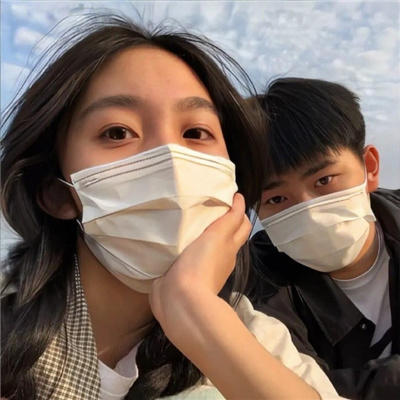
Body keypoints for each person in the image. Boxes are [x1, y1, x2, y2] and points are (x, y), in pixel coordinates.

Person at [0, 15, 346, 400]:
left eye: (196, 132)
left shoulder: (257, 339)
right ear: (57, 192)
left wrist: (198, 316)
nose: (170, 157)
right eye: (117, 132)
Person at [248, 77, 400, 400]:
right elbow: (289, 388)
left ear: (369, 167)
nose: (310, 212)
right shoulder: (254, 284)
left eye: (324, 180)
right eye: (277, 199)